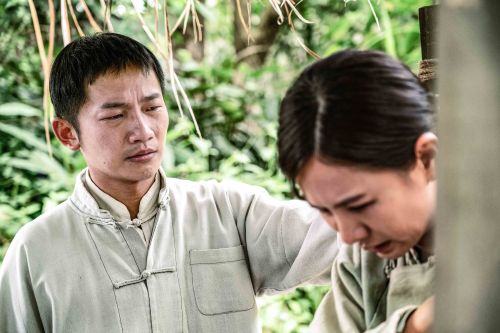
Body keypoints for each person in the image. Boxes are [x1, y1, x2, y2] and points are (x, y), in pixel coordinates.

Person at [0, 32, 338, 333]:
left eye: (152, 107)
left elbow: (347, 237)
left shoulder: (230, 213)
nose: (143, 131)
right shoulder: (36, 250)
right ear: (68, 133)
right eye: (115, 115)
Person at [277, 49, 436, 333]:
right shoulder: (362, 259)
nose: (348, 235)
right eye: (325, 210)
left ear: (425, 157)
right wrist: (414, 326)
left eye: (360, 205)